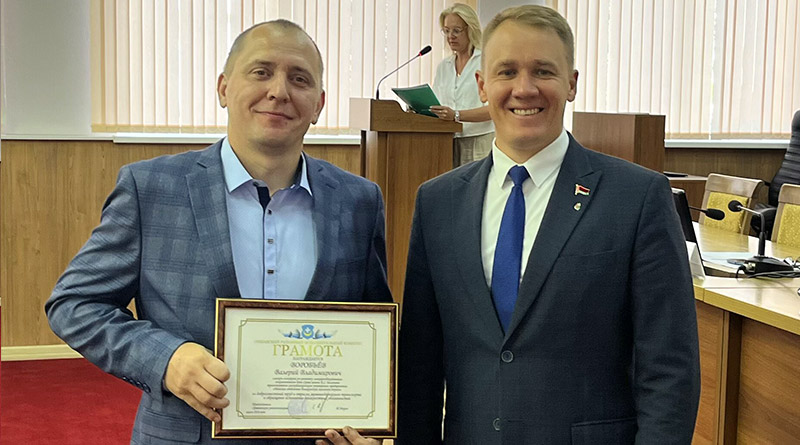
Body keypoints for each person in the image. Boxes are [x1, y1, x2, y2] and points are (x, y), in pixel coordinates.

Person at [46, 20, 391, 445]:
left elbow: (374, 331)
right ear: (224, 88)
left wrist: (371, 427)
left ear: (319, 104)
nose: (279, 91)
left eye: (299, 79)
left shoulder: (359, 201)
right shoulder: (150, 188)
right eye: (261, 72)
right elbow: (75, 304)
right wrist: (166, 359)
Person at [398, 5, 701, 444]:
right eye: (507, 72)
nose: (524, 89)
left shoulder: (637, 197)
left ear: (571, 83)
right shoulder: (437, 203)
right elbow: (420, 365)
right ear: (482, 85)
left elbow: (669, 368)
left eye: (543, 71)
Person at [429, 3, 494, 168]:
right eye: (446, 31)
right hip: (447, 140)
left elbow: (494, 109)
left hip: (480, 139)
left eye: (456, 31)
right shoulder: (444, 66)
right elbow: (437, 104)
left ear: (470, 30)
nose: (450, 36)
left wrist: (456, 115)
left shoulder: (485, 62)